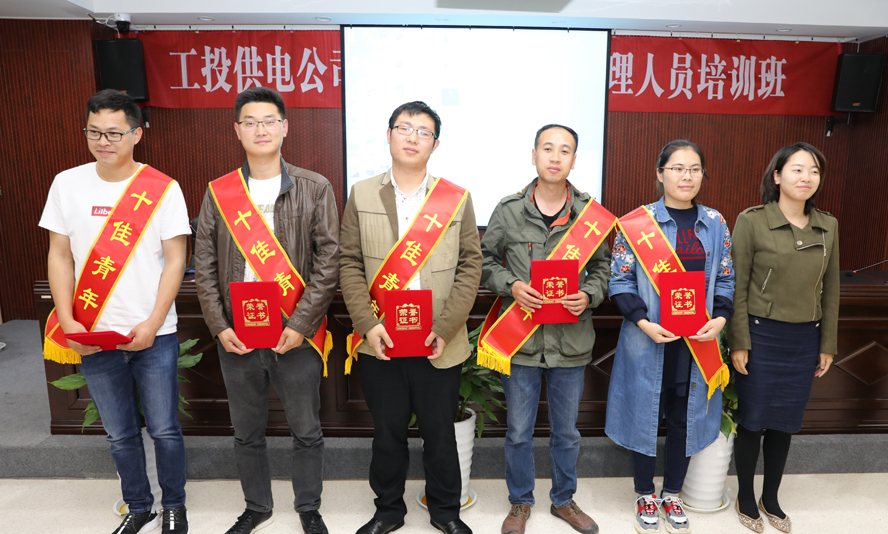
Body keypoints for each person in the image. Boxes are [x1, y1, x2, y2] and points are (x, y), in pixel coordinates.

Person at [40, 89, 191, 534]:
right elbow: (59, 255)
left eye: (113, 133)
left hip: (153, 333)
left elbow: (176, 260)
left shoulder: (162, 188)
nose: (103, 141)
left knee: (164, 429)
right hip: (92, 332)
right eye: (94, 132)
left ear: (136, 134)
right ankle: (139, 506)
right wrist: (68, 320)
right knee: (119, 432)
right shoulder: (66, 183)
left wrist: (154, 321)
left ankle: (174, 506)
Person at [194, 87, 339, 534]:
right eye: (251, 122)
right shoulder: (219, 192)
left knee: (306, 429)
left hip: (295, 332)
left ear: (284, 127)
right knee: (246, 431)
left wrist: (301, 324)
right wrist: (219, 327)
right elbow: (204, 264)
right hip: (237, 334)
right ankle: (256, 506)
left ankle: (308, 507)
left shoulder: (315, 187)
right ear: (237, 130)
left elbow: (328, 262)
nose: (261, 129)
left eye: (269, 121)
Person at [339, 101, 482, 534]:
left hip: (438, 340)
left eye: (423, 131)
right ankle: (388, 511)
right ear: (389, 135)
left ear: (434, 144)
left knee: (439, 432)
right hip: (380, 338)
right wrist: (368, 324)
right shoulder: (362, 193)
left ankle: (446, 512)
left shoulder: (456, 198)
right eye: (404, 128)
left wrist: (445, 328)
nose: (412, 137)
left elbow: (470, 266)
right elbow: (349, 263)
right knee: (387, 433)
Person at [479, 124, 610, 534]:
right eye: (548, 148)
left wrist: (589, 294)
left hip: (570, 341)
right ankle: (520, 502)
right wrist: (512, 285)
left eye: (564, 150)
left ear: (574, 160)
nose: (555, 157)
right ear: (533, 155)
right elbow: (484, 262)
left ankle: (563, 500)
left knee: (566, 432)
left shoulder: (589, 214)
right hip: (520, 341)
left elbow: (604, 269)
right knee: (518, 431)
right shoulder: (508, 209)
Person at [607, 140, 735, 534]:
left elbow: (725, 278)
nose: (686, 176)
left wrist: (720, 318)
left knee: (685, 415)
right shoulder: (636, 223)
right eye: (677, 168)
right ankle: (645, 493)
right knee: (645, 414)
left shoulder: (715, 222)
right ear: (660, 173)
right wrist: (643, 321)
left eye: (694, 169)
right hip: (649, 339)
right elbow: (619, 281)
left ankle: (672, 493)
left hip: (696, 342)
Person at [729, 143, 838, 533]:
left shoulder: (828, 225)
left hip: (805, 338)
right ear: (777, 176)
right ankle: (745, 496)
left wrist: (827, 344)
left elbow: (832, 287)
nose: (806, 177)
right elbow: (737, 286)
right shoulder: (752, 221)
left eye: (814, 171)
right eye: (797, 169)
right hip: (761, 335)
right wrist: (739, 340)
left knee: (784, 422)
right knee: (753, 420)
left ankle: (770, 497)